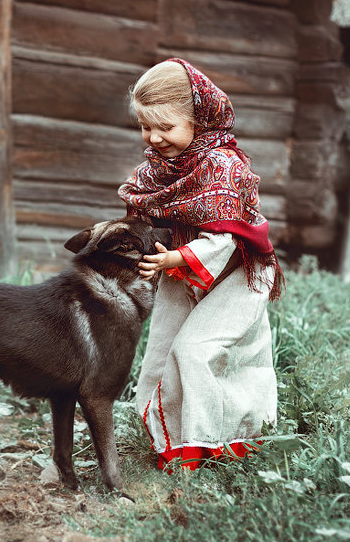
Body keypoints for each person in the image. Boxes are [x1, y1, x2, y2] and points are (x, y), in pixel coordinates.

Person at [118, 58, 284, 471]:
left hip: (235, 272)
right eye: (145, 126)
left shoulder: (223, 165)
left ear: (200, 118)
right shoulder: (158, 170)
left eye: (165, 127)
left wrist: (175, 256)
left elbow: (225, 238)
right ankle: (176, 443)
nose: (153, 138)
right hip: (180, 271)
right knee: (162, 352)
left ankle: (228, 440)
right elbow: (144, 215)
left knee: (199, 352)